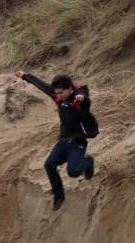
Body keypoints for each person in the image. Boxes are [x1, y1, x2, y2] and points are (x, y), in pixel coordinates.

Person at [12, 71, 96, 210]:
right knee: (49, 164)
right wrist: (26, 76)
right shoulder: (58, 97)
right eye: (57, 93)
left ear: (70, 89)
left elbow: (85, 98)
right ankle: (59, 196)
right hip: (63, 141)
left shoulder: (78, 99)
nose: (59, 95)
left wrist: (82, 97)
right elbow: (44, 86)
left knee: (73, 172)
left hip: (77, 142)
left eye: (62, 92)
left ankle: (88, 162)